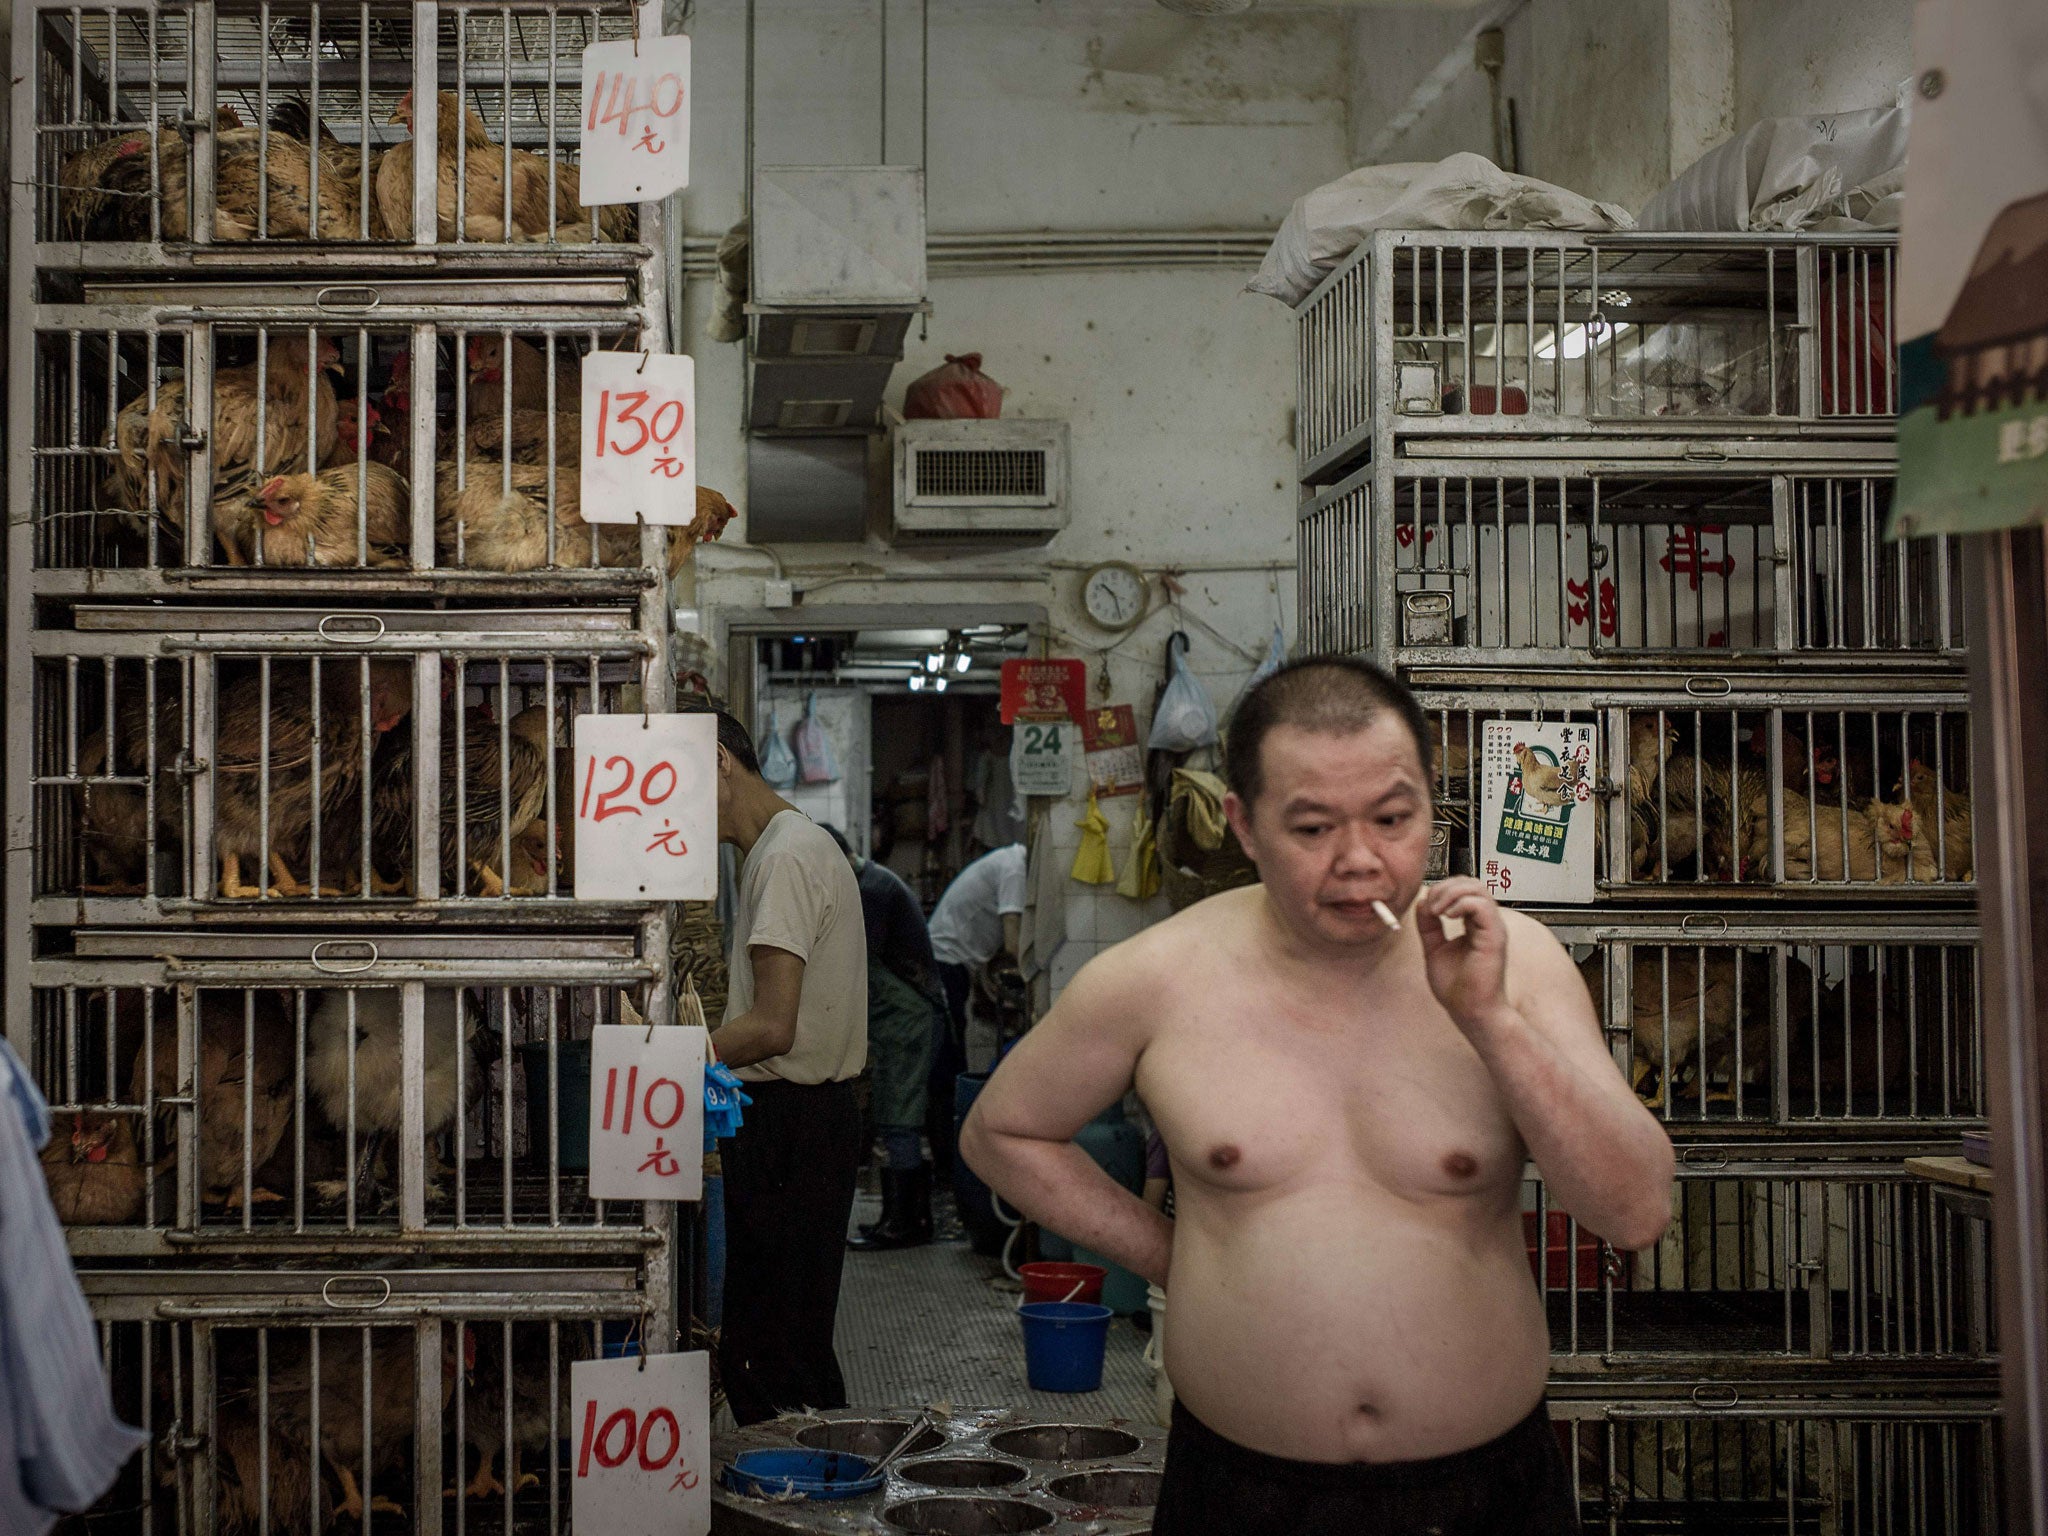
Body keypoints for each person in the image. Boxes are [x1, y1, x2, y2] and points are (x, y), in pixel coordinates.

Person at [961, 657, 1674, 1536]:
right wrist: (1172, 1255)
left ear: (1427, 808)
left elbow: (1637, 1210)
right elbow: (1004, 1132)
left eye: (1393, 819)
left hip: (1486, 1490)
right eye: (1311, 828)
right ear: (1244, 826)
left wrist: (1490, 1021)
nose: (1359, 861)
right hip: (1239, 1489)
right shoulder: (1157, 978)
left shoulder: (1518, 964)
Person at [697, 704, 868, 1426]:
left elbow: (772, 1026)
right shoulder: (786, 845)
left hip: (795, 1124)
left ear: (717, 764)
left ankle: (803, 1493)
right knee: (787, 1336)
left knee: (771, 1352)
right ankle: (815, 1476)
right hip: (813, 1119)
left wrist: (674, 1057)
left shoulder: (784, 857)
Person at [821, 824, 949, 1250]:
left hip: (908, 1019)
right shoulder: (872, 881)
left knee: (900, 1121)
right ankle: (913, 1220)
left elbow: (857, 964)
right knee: (898, 1117)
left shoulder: (871, 891)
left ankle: (902, 1225)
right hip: (899, 1018)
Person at [924, 841, 1028, 1171]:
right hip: (946, 962)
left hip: (950, 962)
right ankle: (951, 1165)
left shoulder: (1008, 859)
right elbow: (1012, 946)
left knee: (949, 1060)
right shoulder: (1015, 868)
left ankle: (952, 1161)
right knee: (948, 1064)